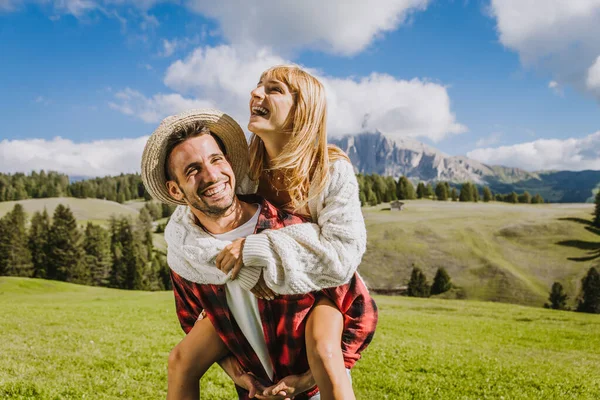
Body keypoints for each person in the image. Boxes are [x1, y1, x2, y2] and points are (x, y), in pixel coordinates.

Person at [148, 65, 374, 399]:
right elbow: (200, 212)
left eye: (274, 89)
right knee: (182, 359)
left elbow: (343, 253)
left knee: (324, 351)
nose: (256, 94)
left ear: (303, 110)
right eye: (257, 86)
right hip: (250, 292)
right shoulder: (247, 171)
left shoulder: (329, 170)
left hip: (318, 285)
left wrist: (258, 248)